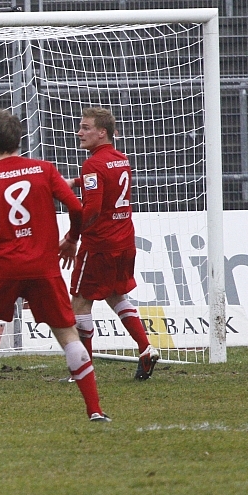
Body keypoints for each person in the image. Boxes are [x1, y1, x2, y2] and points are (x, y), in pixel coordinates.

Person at [0, 110, 110, 424]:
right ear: (20, 139)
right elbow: (76, 207)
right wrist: (72, 238)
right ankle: (95, 410)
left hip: (2, 266)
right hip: (42, 266)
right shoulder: (44, 170)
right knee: (66, 333)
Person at [65, 107, 159, 380]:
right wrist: (75, 182)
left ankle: (83, 370)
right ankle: (146, 348)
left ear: (102, 132)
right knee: (116, 295)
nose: (79, 133)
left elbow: (92, 209)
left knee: (80, 302)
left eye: (85, 128)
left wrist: (72, 237)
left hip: (99, 245)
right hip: (124, 240)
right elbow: (105, 180)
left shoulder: (93, 164)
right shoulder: (120, 159)